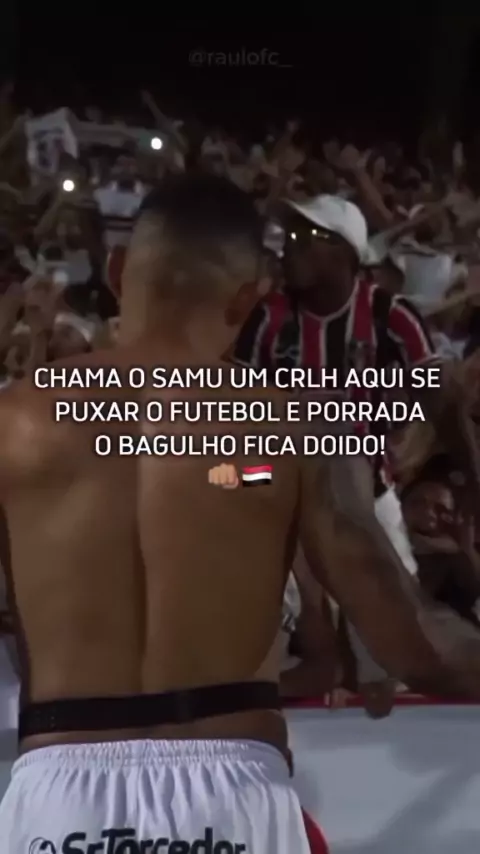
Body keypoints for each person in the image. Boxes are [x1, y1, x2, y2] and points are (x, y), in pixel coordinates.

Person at [2, 175, 480, 853]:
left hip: (56, 795)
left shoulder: (13, 421)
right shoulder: (295, 428)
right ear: (252, 298)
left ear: (116, 272)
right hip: (230, 792)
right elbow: (418, 648)